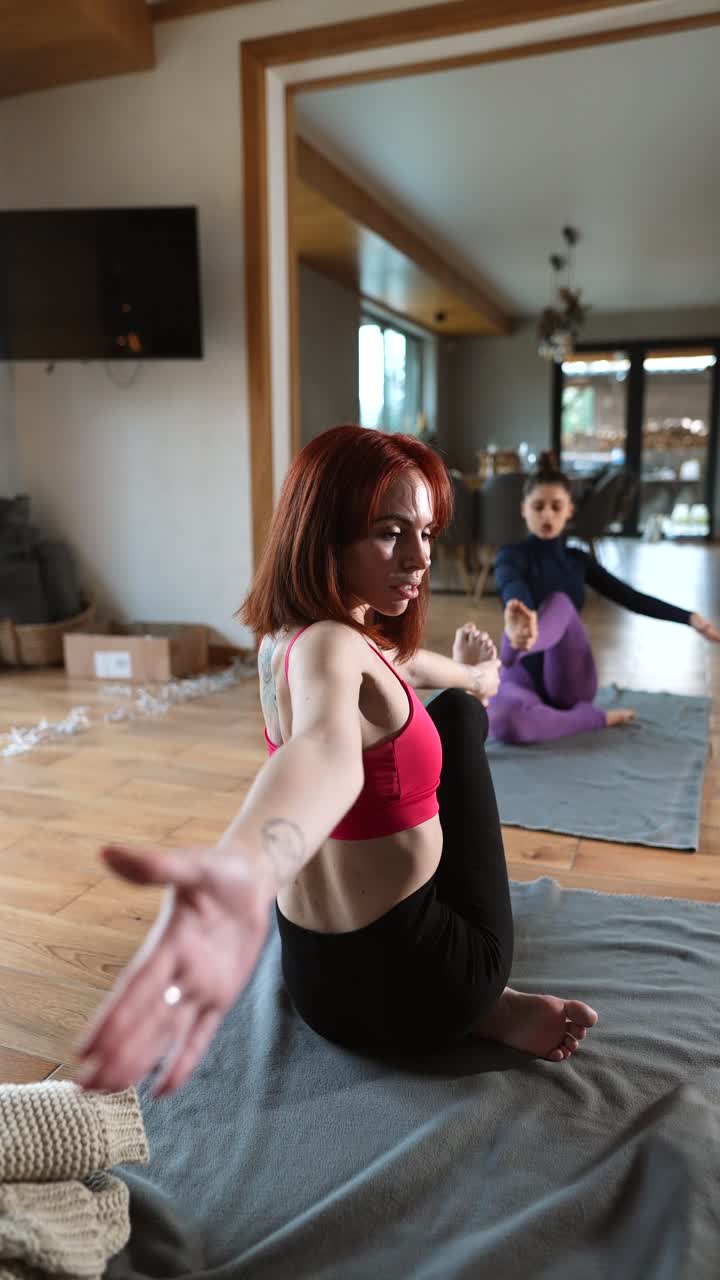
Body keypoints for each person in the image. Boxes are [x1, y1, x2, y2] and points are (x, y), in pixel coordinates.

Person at [76, 427, 597, 1097]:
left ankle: (481, 1005)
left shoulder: (284, 643)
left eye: (427, 533)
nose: (419, 559)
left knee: (457, 698)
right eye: (390, 533)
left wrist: (473, 674)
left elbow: (395, 661)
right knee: (459, 721)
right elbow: (324, 753)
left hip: (322, 992)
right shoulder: (332, 647)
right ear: (324, 533)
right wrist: (243, 868)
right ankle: (491, 1004)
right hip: (432, 990)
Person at [488, 453, 720, 746]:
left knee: (560, 603)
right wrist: (515, 609)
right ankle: (592, 718)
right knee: (504, 725)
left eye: (556, 507)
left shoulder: (578, 560)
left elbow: (631, 598)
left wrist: (691, 618)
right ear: (524, 509)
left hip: (568, 680)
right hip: (522, 675)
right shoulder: (510, 555)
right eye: (538, 506)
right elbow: (512, 583)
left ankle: (523, 648)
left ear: (569, 509)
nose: (547, 515)